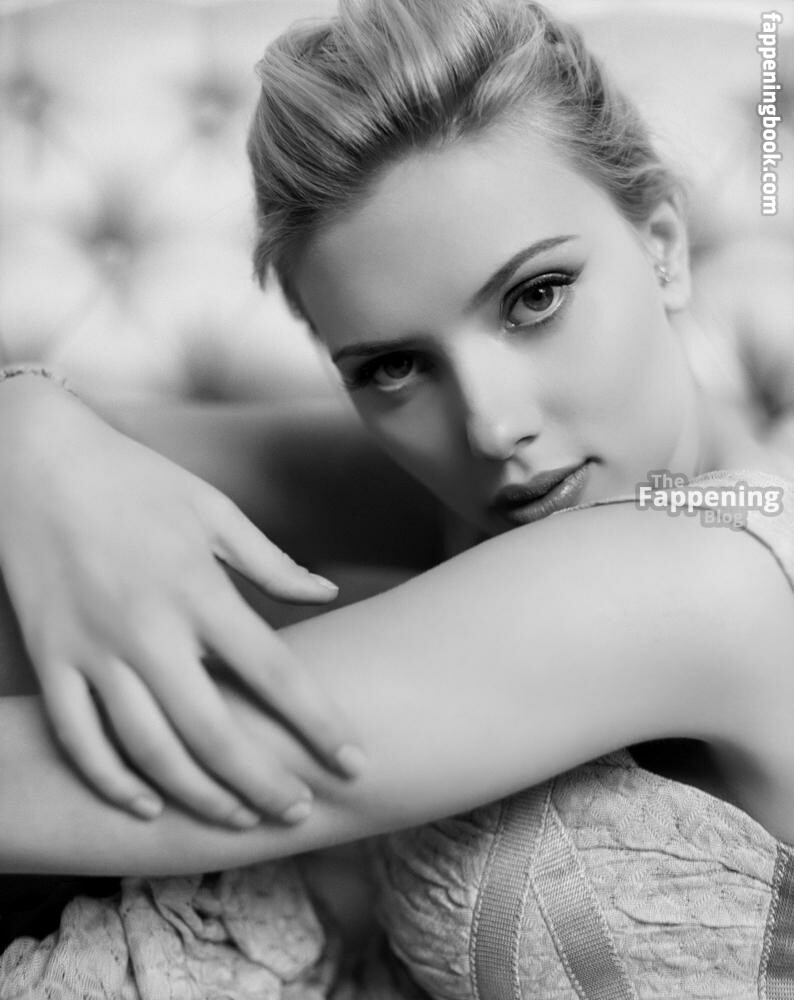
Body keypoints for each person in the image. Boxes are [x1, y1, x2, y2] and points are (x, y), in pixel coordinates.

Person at [1, 0, 793, 995]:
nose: (490, 425)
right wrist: (31, 426)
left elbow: (82, 778)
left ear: (663, 246)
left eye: (535, 297)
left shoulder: (712, 571)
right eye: (392, 367)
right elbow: (99, 444)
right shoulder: (536, 487)